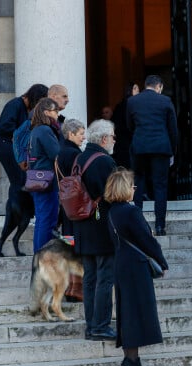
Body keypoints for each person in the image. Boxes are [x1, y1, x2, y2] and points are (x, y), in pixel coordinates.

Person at [105, 168, 168, 366]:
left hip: (122, 264)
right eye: (132, 185)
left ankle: (131, 360)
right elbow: (146, 240)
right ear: (125, 188)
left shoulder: (112, 211)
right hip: (135, 266)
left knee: (128, 313)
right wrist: (161, 261)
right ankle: (132, 362)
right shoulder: (131, 211)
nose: (134, 189)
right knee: (138, 313)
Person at [73, 119, 118, 341]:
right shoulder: (104, 161)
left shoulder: (80, 159)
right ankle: (100, 325)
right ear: (103, 139)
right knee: (105, 277)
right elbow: (113, 195)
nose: (114, 140)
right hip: (101, 226)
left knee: (89, 278)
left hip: (82, 225)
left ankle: (91, 325)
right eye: (112, 136)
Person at [127, 75, 178, 236]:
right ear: (159, 86)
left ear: (145, 85)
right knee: (160, 186)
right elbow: (173, 129)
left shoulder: (133, 101)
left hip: (140, 146)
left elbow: (129, 125)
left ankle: (137, 224)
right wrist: (173, 151)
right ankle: (160, 226)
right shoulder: (165, 101)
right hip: (161, 147)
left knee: (138, 183)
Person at [0, 84, 48, 197]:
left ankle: (16, 211)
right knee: (18, 179)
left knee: (20, 179)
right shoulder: (15, 105)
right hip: (6, 144)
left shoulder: (27, 108)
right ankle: (15, 212)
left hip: (15, 146)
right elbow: (4, 126)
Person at [57, 119, 86, 302]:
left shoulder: (60, 153)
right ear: (71, 134)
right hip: (76, 208)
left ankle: (69, 289)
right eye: (81, 133)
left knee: (69, 245)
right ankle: (76, 290)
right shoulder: (75, 154)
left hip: (65, 207)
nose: (84, 137)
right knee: (77, 247)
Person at [28, 98, 61, 253]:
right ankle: (42, 257)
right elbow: (57, 154)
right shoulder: (45, 130)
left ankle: (38, 256)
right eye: (56, 111)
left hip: (37, 179)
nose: (58, 114)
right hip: (47, 180)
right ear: (47, 112)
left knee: (42, 220)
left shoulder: (35, 130)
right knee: (47, 220)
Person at [112, 82, 139, 168]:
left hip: (122, 143)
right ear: (131, 90)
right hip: (129, 143)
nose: (138, 92)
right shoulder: (132, 106)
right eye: (136, 89)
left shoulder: (119, 106)